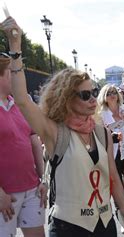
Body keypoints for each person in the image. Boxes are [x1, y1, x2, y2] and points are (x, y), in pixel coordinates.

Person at [2, 17, 124, 236]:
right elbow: (22, 100)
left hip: (105, 223)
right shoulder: (55, 132)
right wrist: (15, 48)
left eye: (93, 92)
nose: (93, 99)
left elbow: (113, 177)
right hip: (68, 228)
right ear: (66, 98)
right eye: (85, 95)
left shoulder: (102, 133)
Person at [0, 52, 46, 237]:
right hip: (5, 195)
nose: (18, 78)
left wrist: (42, 179)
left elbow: (34, 142)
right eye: (13, 73)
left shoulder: (20, 104)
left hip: (32, 189)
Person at [95, 85, 124, 225]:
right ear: (104, 96)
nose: (112, 95)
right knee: (117, 187)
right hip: (110, 155)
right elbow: (102, 134)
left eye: (114, 92)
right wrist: (119, 124)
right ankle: (122, 218)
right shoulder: (101, 114)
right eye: (109, 93)